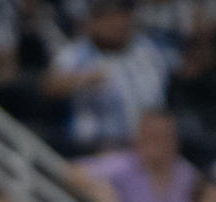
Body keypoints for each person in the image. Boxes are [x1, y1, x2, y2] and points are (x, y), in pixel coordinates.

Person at [44, 0, 172, 154]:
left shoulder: (147, 51)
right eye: (108, 18)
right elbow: (49, 87)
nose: (116, 25)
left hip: (146, 147)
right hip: (95, 147)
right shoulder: (76, 54)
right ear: (93, 22)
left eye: (121, 17)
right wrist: (81, 79)